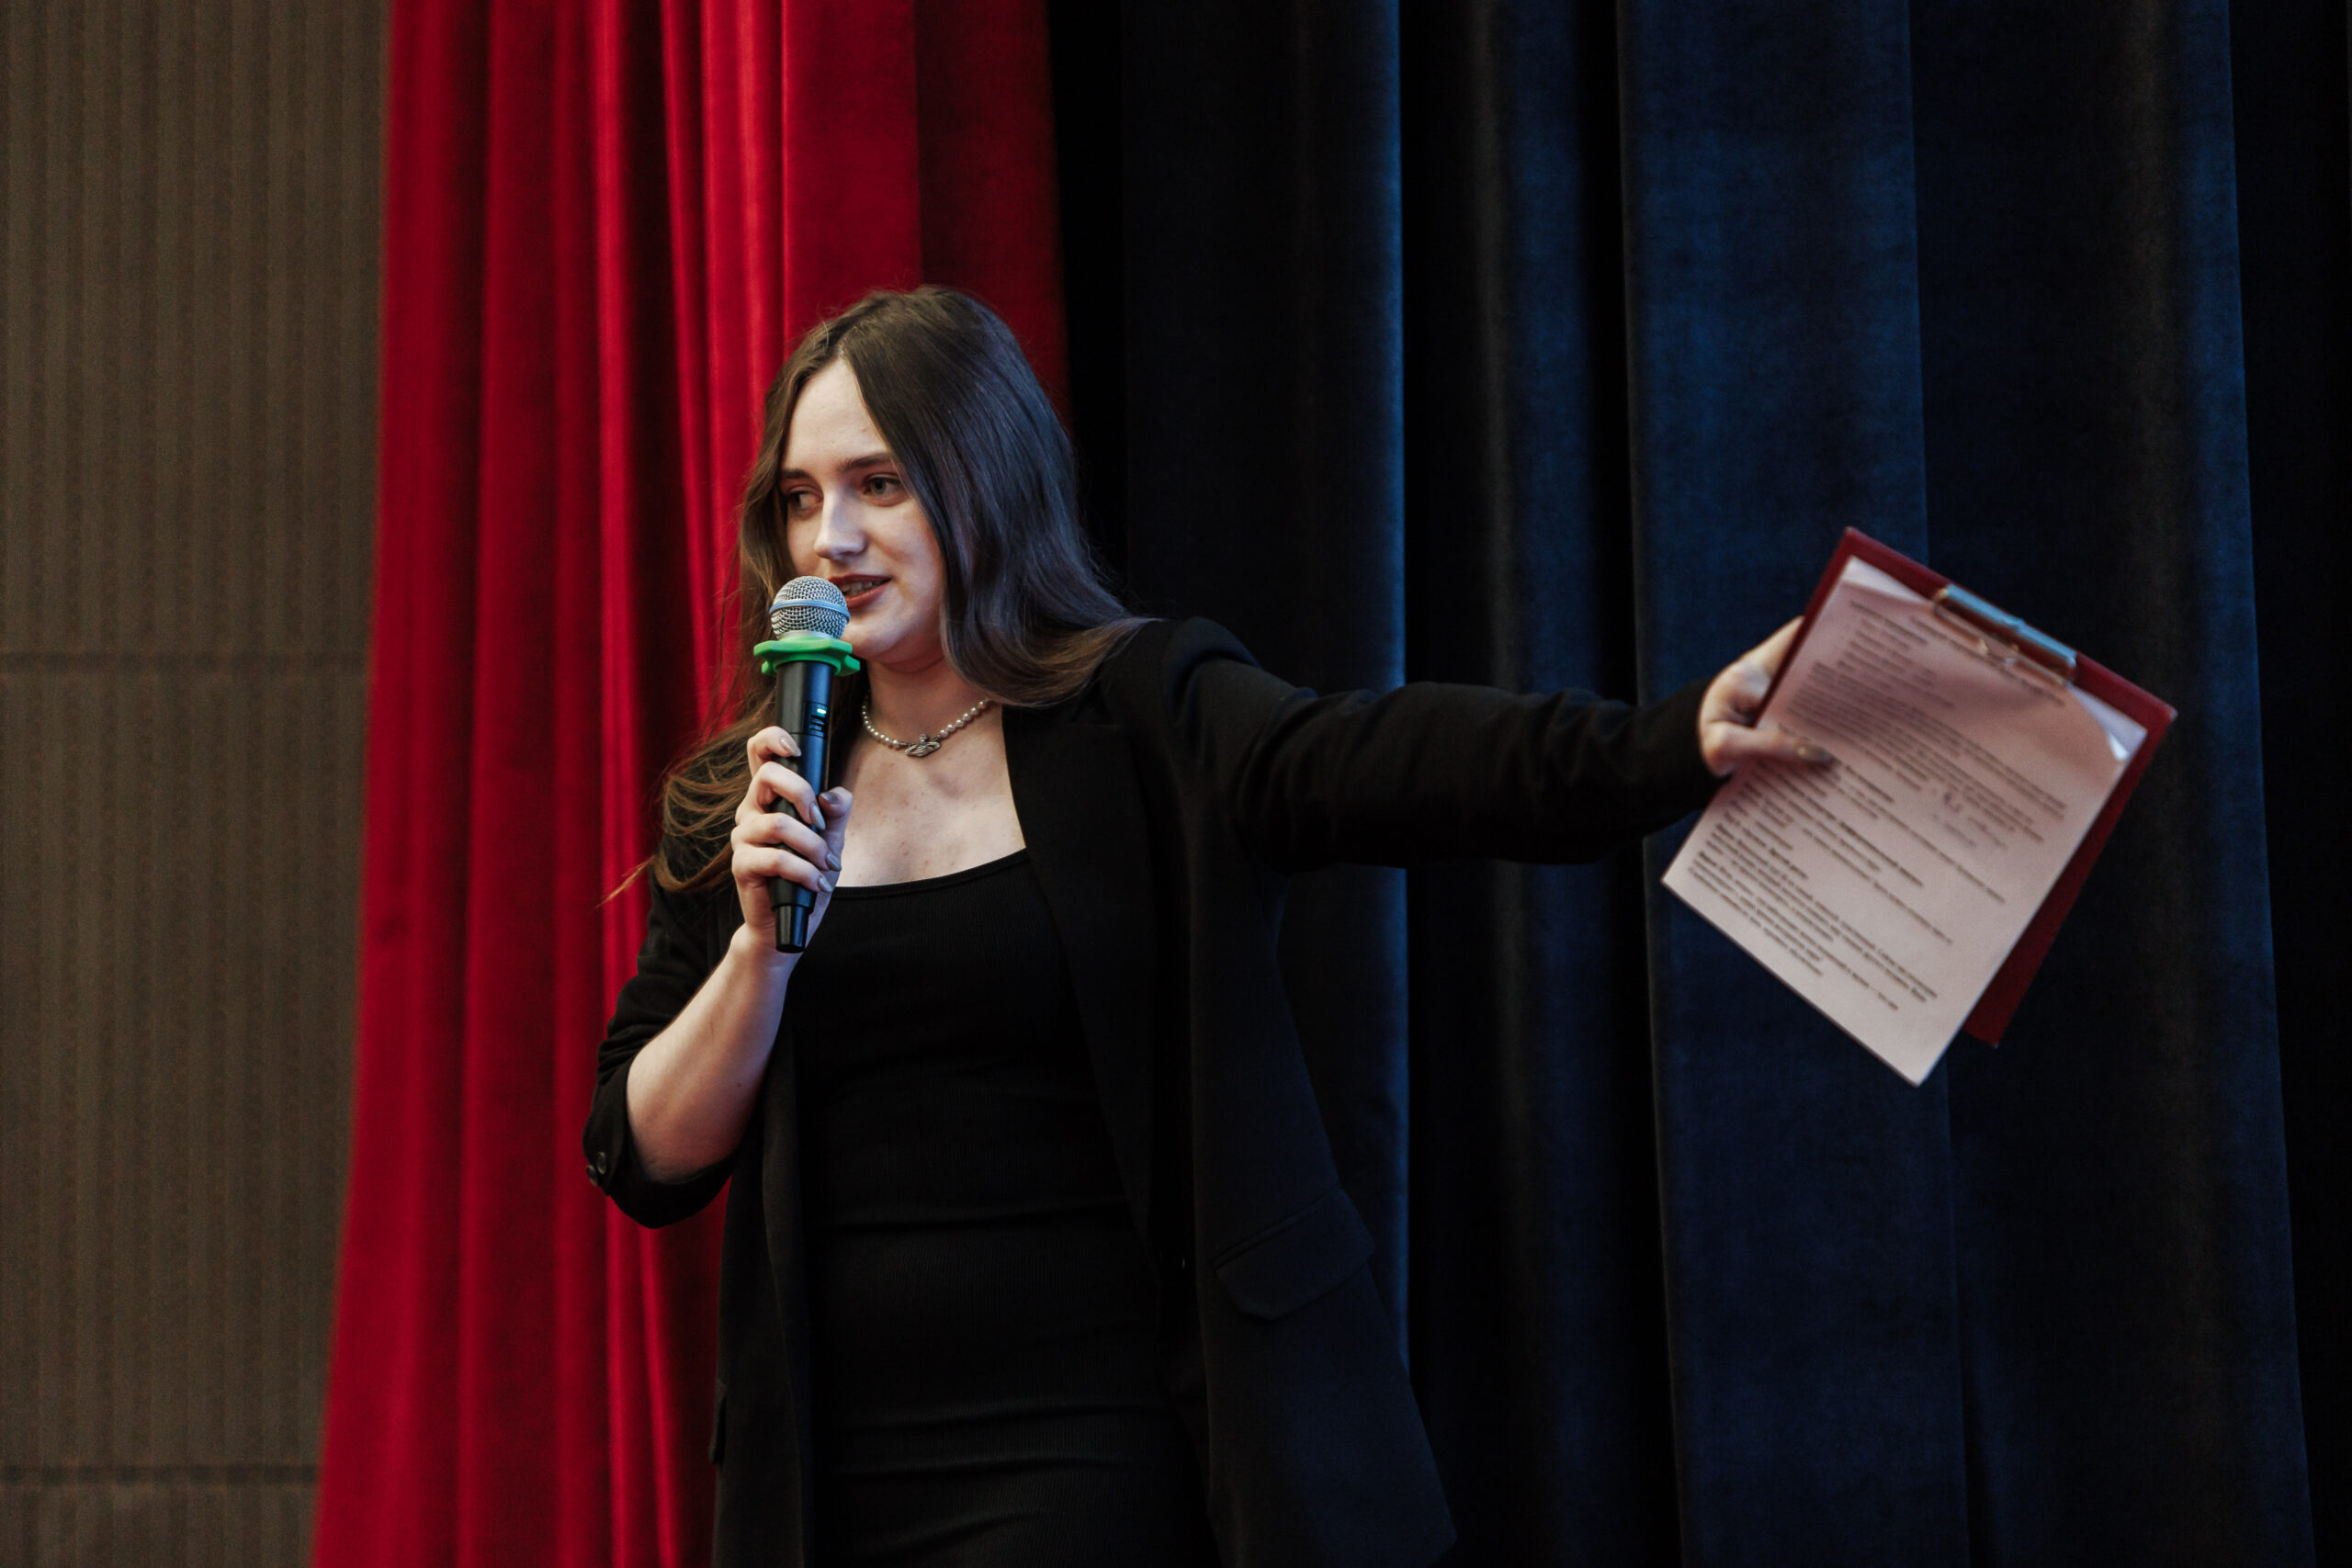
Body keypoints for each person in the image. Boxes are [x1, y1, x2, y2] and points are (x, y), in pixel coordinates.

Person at [583, 287, 1816, 1568]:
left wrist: (1668, 742)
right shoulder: (751, 796)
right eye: (799, 497)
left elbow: (1399, 759)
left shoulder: (1146, 715)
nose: (829, 538)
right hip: (831, 1463)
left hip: (1099, 1449)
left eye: (879, 484)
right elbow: (640, 1155)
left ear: (983, 480)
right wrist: (759, 954)